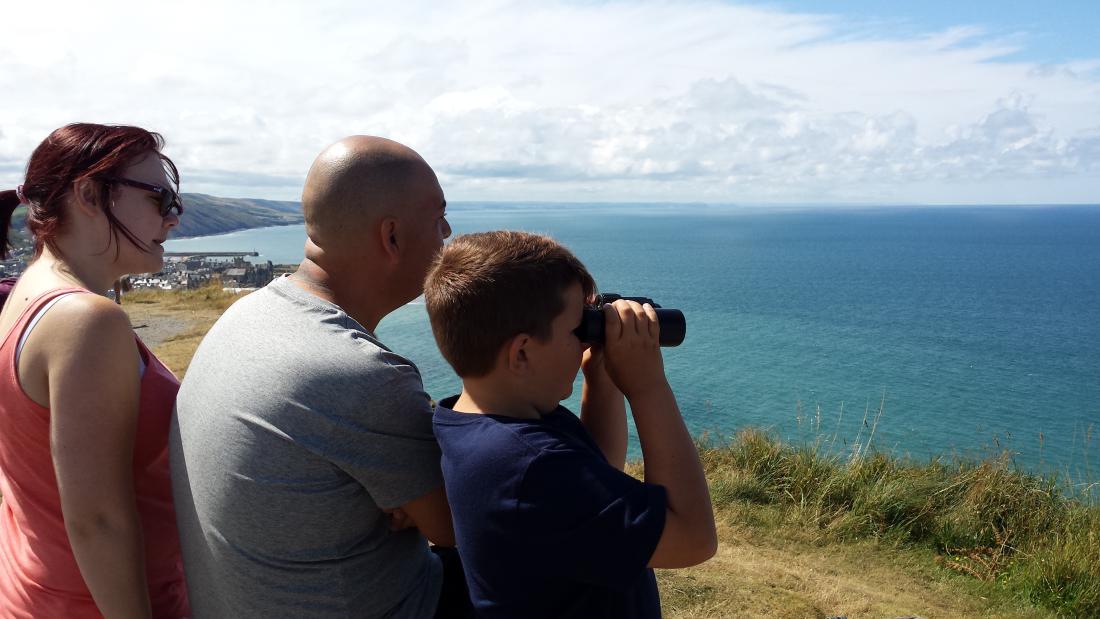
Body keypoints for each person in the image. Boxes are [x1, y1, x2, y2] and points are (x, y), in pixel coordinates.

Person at [170, 136, 468, 618]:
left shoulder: (248, 314)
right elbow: (463, 526)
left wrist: (402, 502)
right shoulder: (359, 374)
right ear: (391, 237)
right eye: (438, 218)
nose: (448, 231)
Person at [424, 230, 718, 618]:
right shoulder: (531, 467)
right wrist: (647, 387)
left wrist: (601, 375)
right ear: (522, 353)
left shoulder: (486, 423)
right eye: (578, 329)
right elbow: (694, 538)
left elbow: (599, 472)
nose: (585, 341)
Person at [0, 123, 190, 617]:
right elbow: (97, 520)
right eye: (159, 199)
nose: (174, 218)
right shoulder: (85, 321)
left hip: (42, 588)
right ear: (88, 194)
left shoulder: (25, 297)